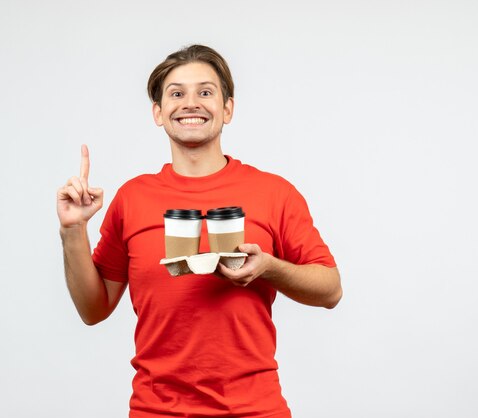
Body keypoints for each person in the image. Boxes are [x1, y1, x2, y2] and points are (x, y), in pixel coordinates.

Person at [57, 44, 342, 418]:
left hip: (255, 409)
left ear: (228, 108)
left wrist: (269, 268)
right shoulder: (132, 198)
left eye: (205, 92)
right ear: (158, 112)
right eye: (176, 93)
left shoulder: (275, 193)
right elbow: (93, 309)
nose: (191, 103)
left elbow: (331, 289)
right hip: (156, 410)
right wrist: (73, 230)